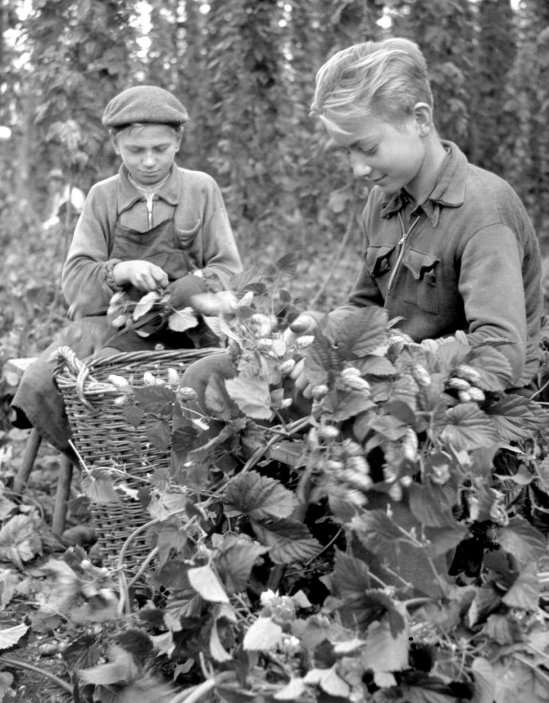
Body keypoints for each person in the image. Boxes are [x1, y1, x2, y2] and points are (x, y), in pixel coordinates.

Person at [289, 37, 543, 396]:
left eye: (368, 148)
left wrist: (381, 364)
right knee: (214, 374)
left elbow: (501, 352)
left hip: (465, 392)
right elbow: (368, 305)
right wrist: (325, 327)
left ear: (420, 119)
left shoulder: (484, 211)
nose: (358, 169)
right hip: (395, 376)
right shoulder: (382, 200)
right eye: (346, 152)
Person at [11, 84, 242, 455]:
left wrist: (188, 289)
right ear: (116, 144)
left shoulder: (200, 189)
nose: (149, 161)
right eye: (136, 150)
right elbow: (75, 283)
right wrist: (121, 271)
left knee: (209, 382)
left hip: (186, 326)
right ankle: (109, 455)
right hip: (113, 326)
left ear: (178, 141)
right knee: (59, 377)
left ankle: (182, 462)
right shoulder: (102, 197)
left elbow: (229, 269)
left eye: (160, 149)